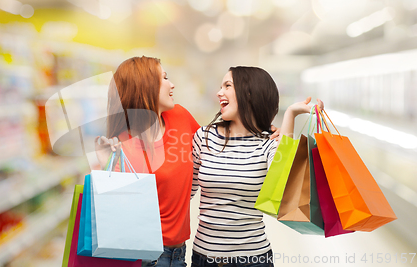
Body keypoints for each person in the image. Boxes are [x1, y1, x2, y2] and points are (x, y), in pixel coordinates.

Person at [95, 57, 280, 267]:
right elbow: (117, 210)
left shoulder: (180, 117)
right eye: (164, 78)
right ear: (145, 88)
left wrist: (263, 129)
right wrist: (105, 165)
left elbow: (216, 149)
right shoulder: (123, 146)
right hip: (147, 253)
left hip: (181, 252)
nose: (172, 84)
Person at [190, 66, 323, 267]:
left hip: (253, 259)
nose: (219, 93)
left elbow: (283, 179)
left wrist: (291, 115)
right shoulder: (204, 137)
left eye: (227, 86)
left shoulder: (267, 143)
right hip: (204, 258)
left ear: (249, 94)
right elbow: (185, 192)